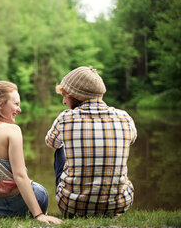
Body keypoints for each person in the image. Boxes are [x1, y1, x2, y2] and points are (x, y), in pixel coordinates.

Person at [0, 81, 62, 225]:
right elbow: (20, 175)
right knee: (38, 190)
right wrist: (39, 215)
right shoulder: (12, 130)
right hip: (23, 203)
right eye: (16, 104)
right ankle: (35, 212)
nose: (19, 109)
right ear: (0, 105)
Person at [45, 66, 137, 217]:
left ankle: (76, 193)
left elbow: (51, 143)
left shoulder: (65, 118)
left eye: (64, 95)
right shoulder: (124, 117)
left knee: (60, 149)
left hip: (72, 207)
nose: (63, 101)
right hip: (118, 205)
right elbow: (132, 139)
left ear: (75, 96)